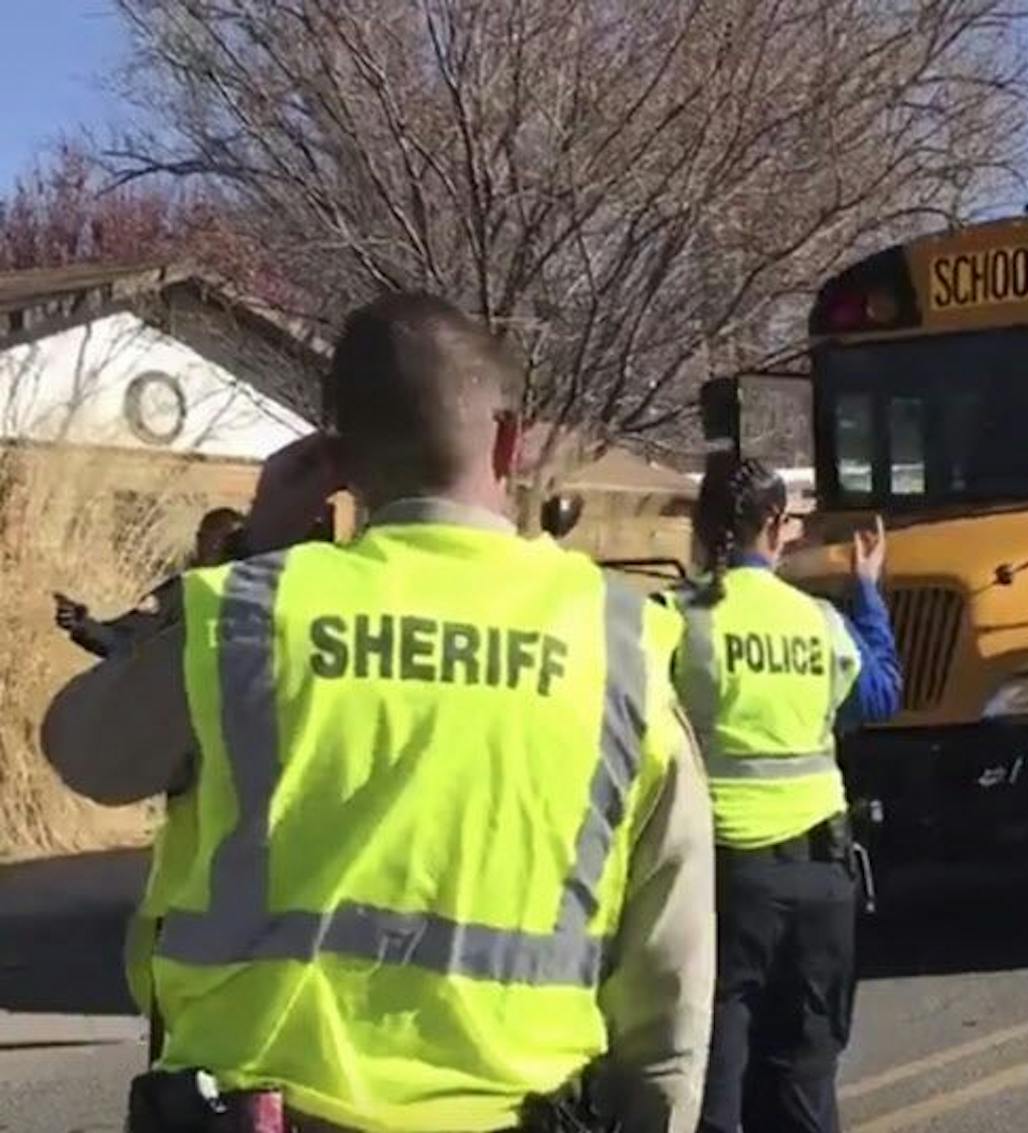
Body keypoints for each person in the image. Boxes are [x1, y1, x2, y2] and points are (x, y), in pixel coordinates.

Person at [40, 292, 716, 1133]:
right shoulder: (617, 638)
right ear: (509, 440)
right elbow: (672, 957)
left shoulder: (251, 617)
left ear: (338, 457)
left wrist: (254, 546)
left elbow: (82, 749)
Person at [671, 458, 901, 1133]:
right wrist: (868, 590)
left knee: (715, 1084)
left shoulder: (679, 620)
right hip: (820, 884)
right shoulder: (819, 622)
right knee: (803, 1085)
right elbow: (882, 693)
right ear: (775, 525)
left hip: (724, 884)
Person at [53, 507, 247, 658]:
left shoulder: (191, 589)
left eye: (205, 538)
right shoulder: (265, 594)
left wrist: (82, 624)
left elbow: (124, 643)